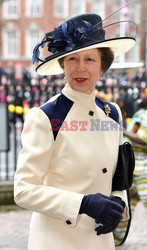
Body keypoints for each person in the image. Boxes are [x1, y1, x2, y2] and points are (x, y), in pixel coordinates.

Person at [14, 13, 136, 250]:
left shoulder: (112, 113)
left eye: (90, 59)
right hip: (56, 241)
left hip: (101, 241)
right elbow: (23, 190)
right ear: (62, 65)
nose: (80, 68)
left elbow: (118, 176)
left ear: (103, 66)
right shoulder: (47, 117)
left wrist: (118, 205)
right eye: (72, 59)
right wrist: (83, 203)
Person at [114, 84, 147, 244]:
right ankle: (115, 239)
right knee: (125, 207)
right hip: (137, 170)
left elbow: (143, 138)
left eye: (144, 94)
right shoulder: (146, 113)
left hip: (145, 170)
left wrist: (120, 130)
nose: (140, 96)